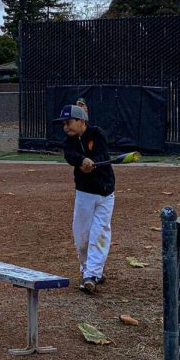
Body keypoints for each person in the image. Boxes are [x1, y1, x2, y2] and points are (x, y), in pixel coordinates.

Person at [56, 104, 115, 294]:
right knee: (81, 237)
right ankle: (89, 271)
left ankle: (91, 275)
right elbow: (70, 155)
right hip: (84, 194)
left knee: (100, 233)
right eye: (63, 124)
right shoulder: (69, 141)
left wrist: (93, 162)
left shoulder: (97, 133)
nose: (65, 127)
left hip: (105, 193)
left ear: (81, 121)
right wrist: (81, 161)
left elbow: (102, 154)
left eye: (68, 122)